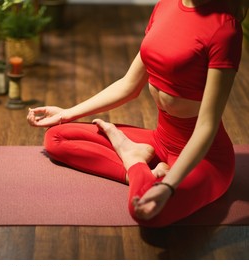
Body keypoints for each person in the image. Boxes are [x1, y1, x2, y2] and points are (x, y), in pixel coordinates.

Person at [27, 0, 248, 227]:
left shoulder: (225, 29)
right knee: (56, 138)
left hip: (205, 158)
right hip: (160, 141)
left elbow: (206, 126)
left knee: (148, 210)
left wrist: (167, 186)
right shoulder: (166, 5)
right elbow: (128, 86)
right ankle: (139, 163)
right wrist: (66, 114)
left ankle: (133, 159)